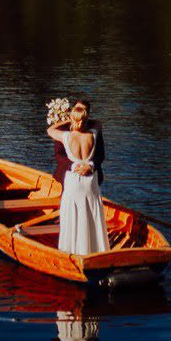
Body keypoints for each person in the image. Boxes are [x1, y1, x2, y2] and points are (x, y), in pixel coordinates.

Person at [46, 98, 108, 256]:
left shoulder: (66, 136)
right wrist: (84, 119)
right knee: (92, 212)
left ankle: (72, 251)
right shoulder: (93, 133)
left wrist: (69, 119)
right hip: (90, 181)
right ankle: (97, 250)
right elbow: (99, 123)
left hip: (74, 180)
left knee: (72, 214)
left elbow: (50, 130)